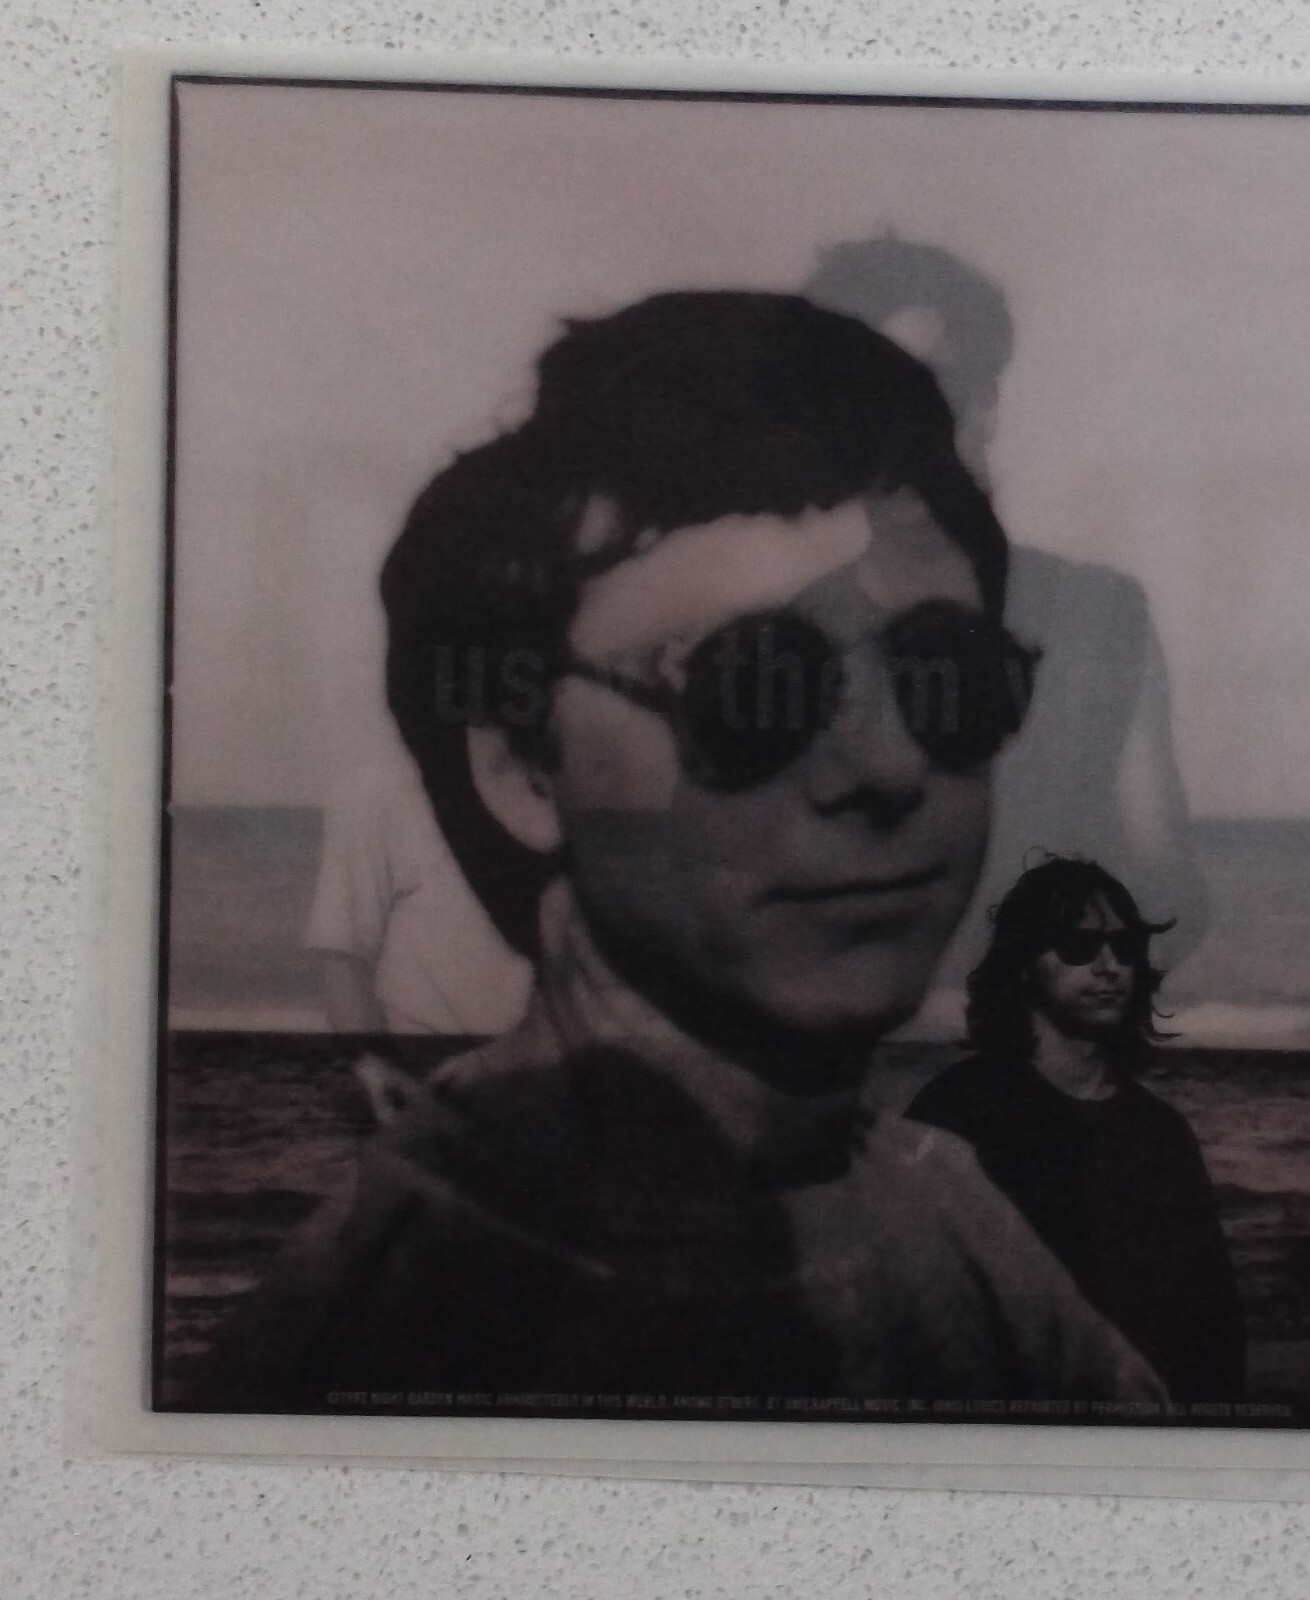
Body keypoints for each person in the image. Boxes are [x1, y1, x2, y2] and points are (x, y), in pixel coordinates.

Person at [194, 291, 1166, 1415]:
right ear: (524, 768)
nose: (889, 765)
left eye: (948, 681)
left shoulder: (941, 1216)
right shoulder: (420, 1312)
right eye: (755, 687)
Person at [803, 239, 1208, 1013]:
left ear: (987, 406)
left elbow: (1170, 894)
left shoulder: (1099, 615)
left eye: (932, 393)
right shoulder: (792, 638)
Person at [908, 856, 1245, 1402]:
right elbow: (911, 1308)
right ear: (1024, 964)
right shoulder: (957, 1112)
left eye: (1125, 947)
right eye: (1078, 946)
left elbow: (1213, 1317)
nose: (1109, 965)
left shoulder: (1161, 1134)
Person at [304, 756, 533, 1034]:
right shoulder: (373, 792)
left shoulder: (551, 792)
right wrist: (368, 1058)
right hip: (429, 1049)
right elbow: (341, 961)